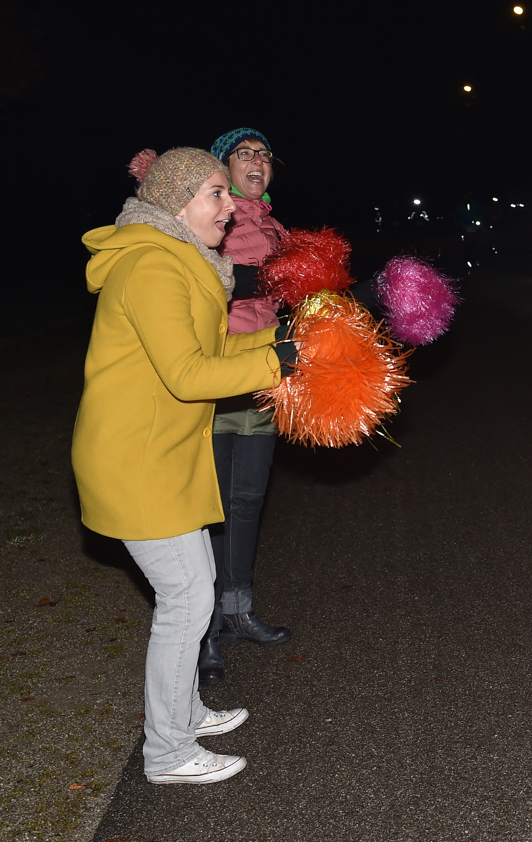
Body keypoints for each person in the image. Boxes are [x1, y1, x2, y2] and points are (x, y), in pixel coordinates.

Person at [73, 147, 294, 783]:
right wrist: (281, 363)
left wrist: (280, 344)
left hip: (163, 456)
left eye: (228, 194)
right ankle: (167, 752)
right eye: (216, 194)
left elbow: (216, 345)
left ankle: (184, 712)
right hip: (135, 460)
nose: (231, 208)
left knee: (191, 589)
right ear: (177, 202)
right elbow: (189, 373)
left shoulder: (182, 262)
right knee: (189, 601)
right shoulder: (151, 267)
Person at [197, 128, 292, 688]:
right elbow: (209, 281)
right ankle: (205, 629)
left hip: (263, 377)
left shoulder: (276, 226)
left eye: (264, 155)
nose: (257, 161)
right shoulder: (210, 218)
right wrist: (276, 277)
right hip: (215, 376)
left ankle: (238, 609)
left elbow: (288, 296)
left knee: (250, 499)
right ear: (222, 168)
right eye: (244, 154)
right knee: (210, 507)